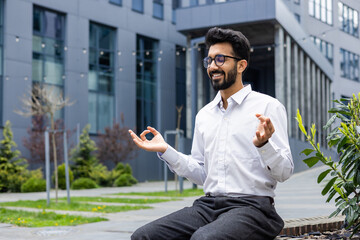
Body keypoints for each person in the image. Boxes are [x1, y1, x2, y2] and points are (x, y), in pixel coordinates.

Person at [128, 27, 294, 240]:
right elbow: (201, 173)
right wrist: (166, 150)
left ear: (241, 65)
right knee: (143, 236)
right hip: (208, 206)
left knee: (204, 239)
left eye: (221, 59)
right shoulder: (204, 115)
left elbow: (285, 172)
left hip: (254, 208)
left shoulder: (268, 107)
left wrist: (264, 145)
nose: (213, 66)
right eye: (210, 60)